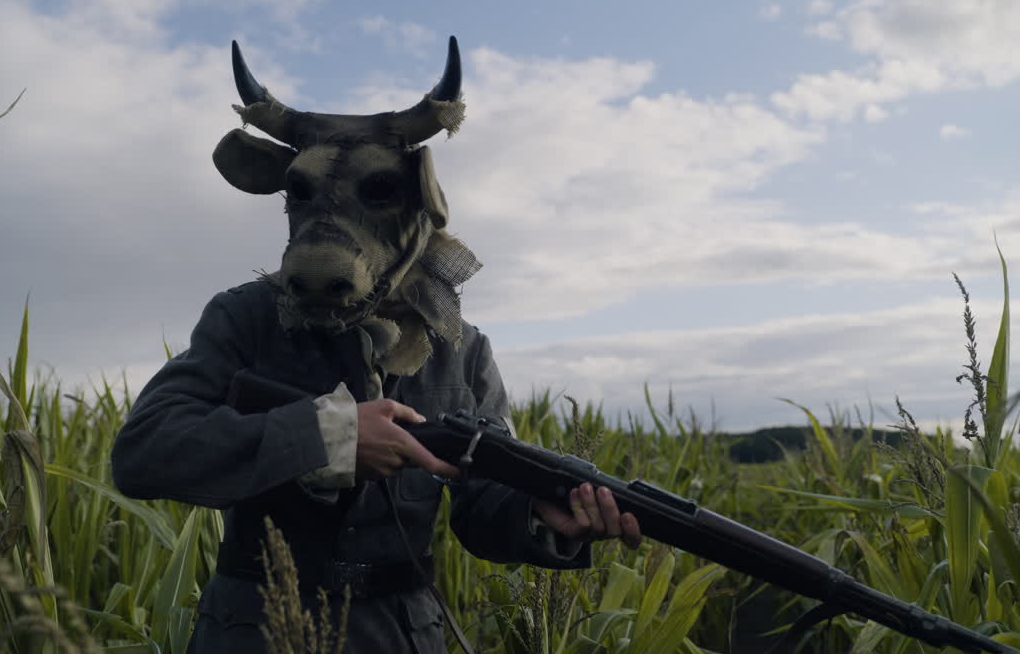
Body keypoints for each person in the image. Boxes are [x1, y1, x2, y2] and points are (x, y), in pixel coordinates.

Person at [110, 37, 641, 654]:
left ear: (418, 204)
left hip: (399, 635)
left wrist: (543, 520)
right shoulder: (247, 318)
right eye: (303, 194)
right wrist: (327, 438)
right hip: (257, 632)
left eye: (379, 193)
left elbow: (481, 507)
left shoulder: (459, 348)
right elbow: (145, 452)